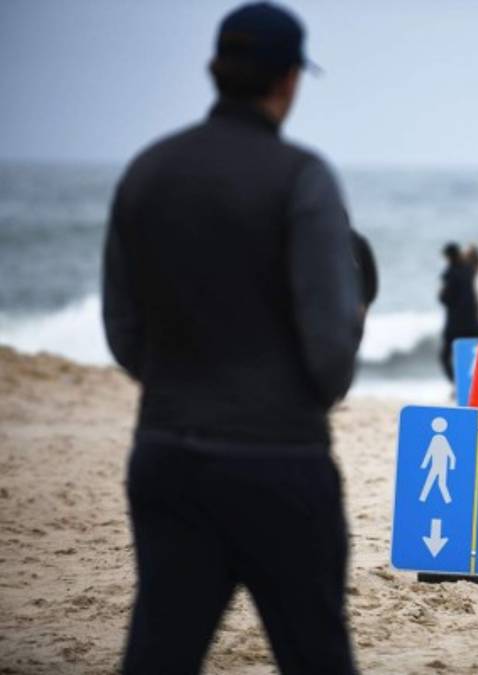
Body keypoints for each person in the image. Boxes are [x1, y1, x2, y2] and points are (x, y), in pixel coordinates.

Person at [102, 3, 365, 672]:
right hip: (280, 461)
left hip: (166, 454)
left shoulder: (147, 171)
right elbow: (331, 353)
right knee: (315, 654)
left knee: (159, 654)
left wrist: (184, 386)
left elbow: (123, 332)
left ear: (216, 69)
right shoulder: (301, 177)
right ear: (289, 79)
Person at [438, 242, 478, 382]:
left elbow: (445, 298)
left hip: (455, 324)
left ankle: (458, 384)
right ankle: (471, 383)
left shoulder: (450, 273)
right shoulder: (470, 271)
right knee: (471, 357)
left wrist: (441, 293)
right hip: (472, 322)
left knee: (445, 357)